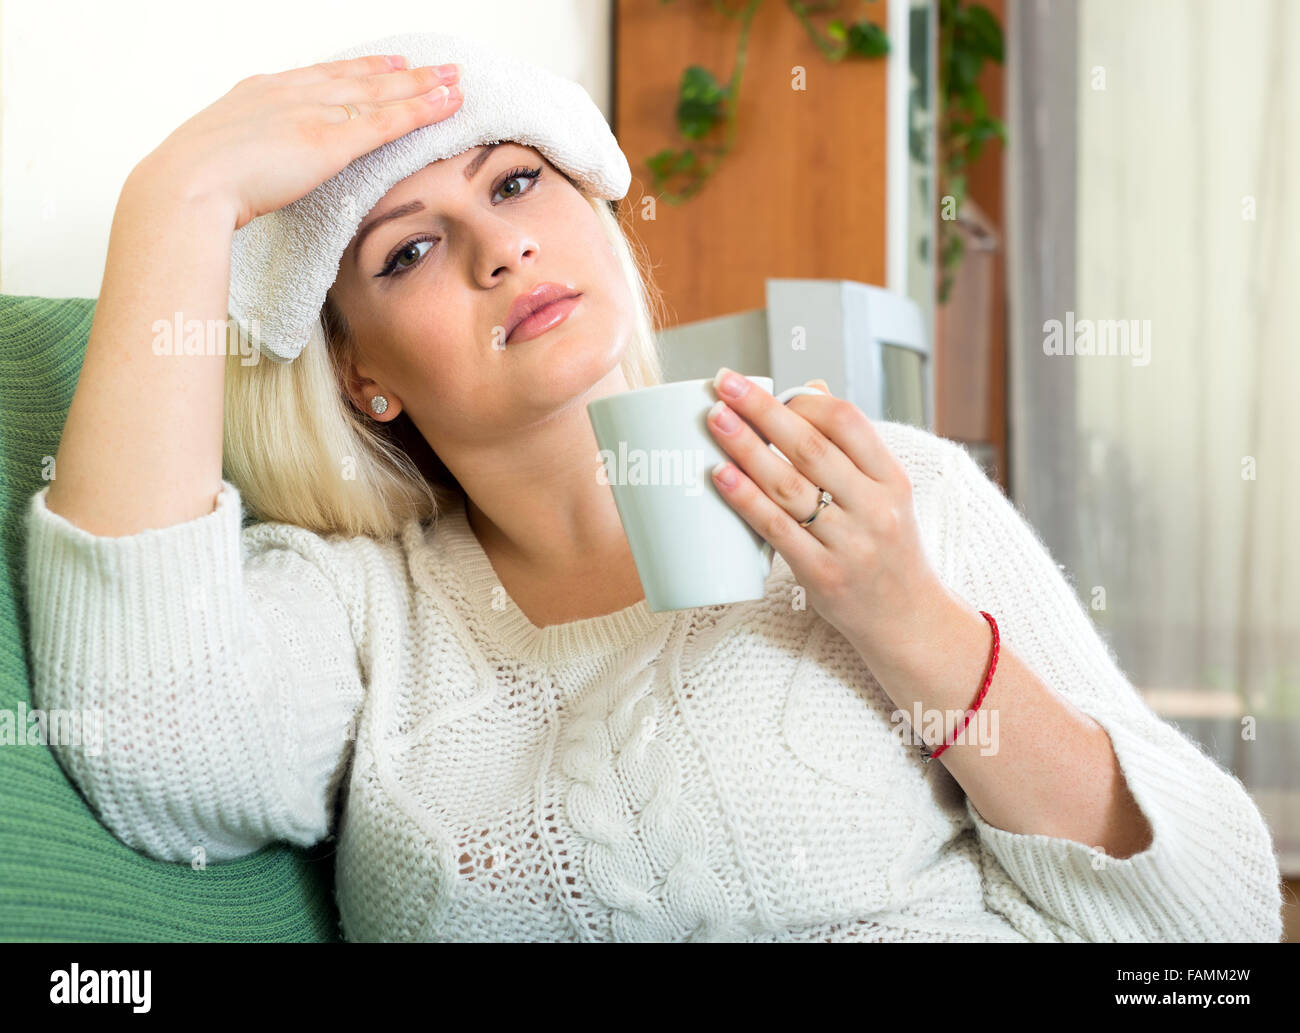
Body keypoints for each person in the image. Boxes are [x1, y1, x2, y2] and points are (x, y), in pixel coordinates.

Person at [23, 32, 1283, 943]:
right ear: (363, 379)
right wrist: (178, 199)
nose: (500, 246)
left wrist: (909, 619)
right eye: (409, 250)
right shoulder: (366, 618)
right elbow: (151, 749)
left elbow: (1206, 925)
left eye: (517, 182)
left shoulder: (892, 498)